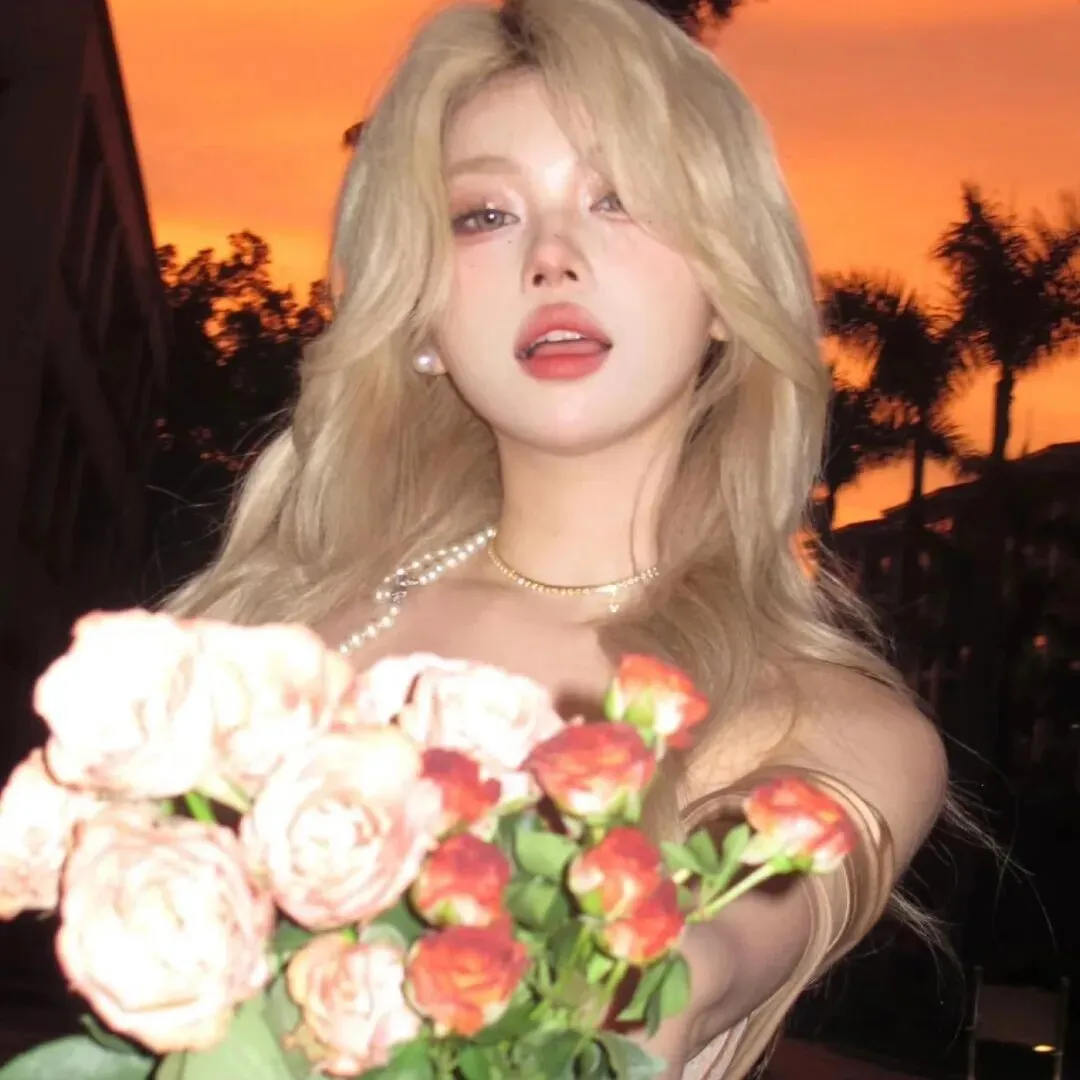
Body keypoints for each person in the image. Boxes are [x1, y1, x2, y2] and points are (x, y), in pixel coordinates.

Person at [167, 0, 949, 1075]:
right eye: (484, 214)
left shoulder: (830, 727)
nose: (552, 256)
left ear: (727, 289)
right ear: (421, 311)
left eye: (619, 198)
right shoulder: (269, 644)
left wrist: (655, 979)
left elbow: (712, 955)